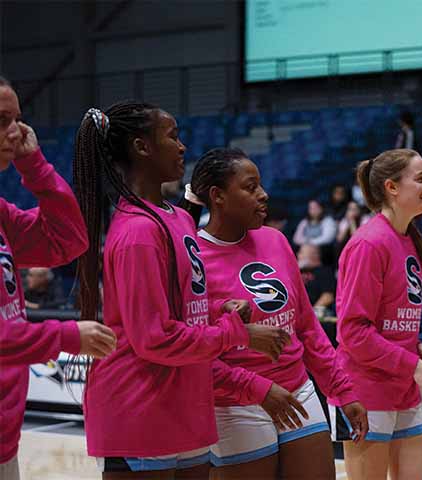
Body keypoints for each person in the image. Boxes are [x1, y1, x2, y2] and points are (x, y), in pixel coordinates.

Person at [73, 102, 289, 479]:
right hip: (140, 409)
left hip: (184, 405)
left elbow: (186, 305)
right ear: (142, 147)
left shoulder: (176, 217)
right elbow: (154, 337)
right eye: (172, 136)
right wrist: (240, 335)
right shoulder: (138, 232)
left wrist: (222, 309)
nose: (183, 146)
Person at [180, 148, 367, 479]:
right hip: (234, 402)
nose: (263, 195)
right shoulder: (192, 256)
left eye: (260, 185)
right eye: (250, 187)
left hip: (297, 387)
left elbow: (307, 327)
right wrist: (257, 389)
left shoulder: (276, 241)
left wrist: (342, 390)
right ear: (218, 196)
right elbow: (193, 351)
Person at [0, 77, 117, 480]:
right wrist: (68, 336)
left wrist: (34, 165)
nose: (14, 133)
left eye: (17, 119)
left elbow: (68, 240)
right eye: (1, 120)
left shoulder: (1, 214)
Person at [331, 148, 422, 480]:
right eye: (421, 178)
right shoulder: (369, 243)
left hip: (402, 385)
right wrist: (413, 365)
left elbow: (392, 325)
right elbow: (353, 333)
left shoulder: (408, 238)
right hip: (364, 389)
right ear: (392, 187)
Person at [297, 244, 336, 310]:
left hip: (315, 314)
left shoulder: (324, 272)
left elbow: (328, 296)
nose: (298, 255)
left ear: (315, 255)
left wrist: (310, 313)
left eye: (302, 252)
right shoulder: (297, 272)